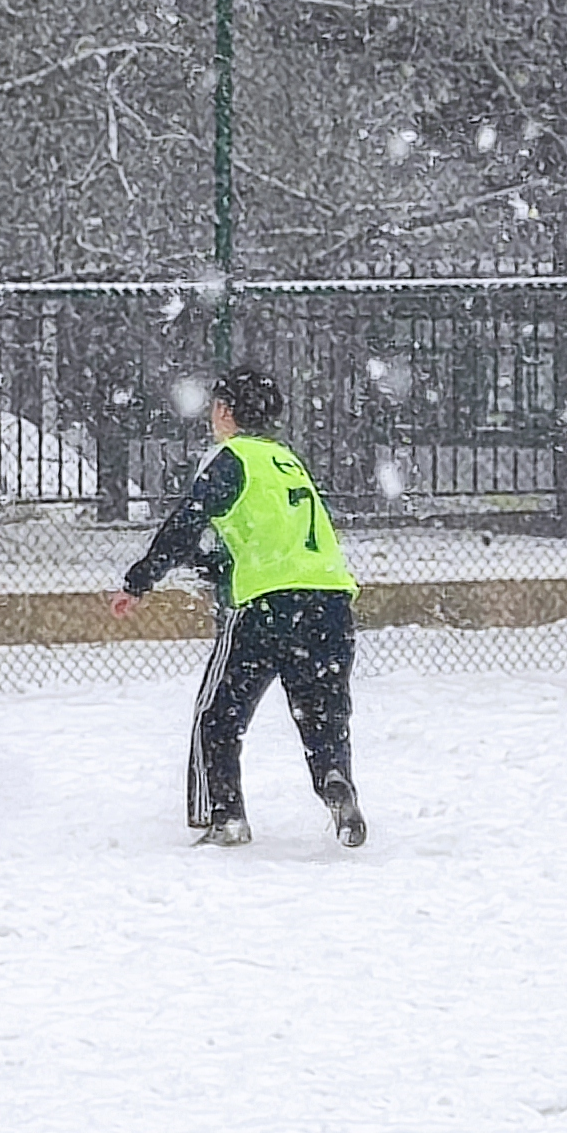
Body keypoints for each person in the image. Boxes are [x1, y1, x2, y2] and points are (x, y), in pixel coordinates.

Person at [110, 364, 363, 849]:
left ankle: (224, 817)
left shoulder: (232, 458)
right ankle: (336, 781)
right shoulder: (287, 462)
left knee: (219, 712)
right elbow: (265, 538)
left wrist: (139, 580)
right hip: (330, 602)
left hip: (267, 607)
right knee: (323, 713)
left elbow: (187, 522)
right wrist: (212, 566)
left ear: (225, 412)